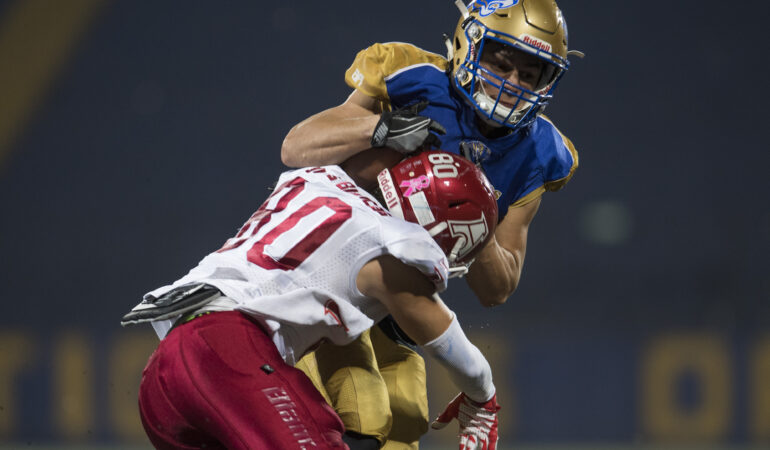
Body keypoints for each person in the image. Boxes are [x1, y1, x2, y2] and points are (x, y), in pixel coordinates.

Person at [281, 0, 582, 447]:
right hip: (331, 275)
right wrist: (381, 129)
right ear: (469, 44)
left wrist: (471, 212)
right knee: (364, 411)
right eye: (502, 62)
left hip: (399, 301)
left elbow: (497, 289)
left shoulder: (540, 151)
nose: (513, 84)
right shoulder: (409, 76)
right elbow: (298, 148)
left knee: (404, 422)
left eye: (530, 73)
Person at [121, 150, 502, 450]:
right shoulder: (387, 248)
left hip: (164, 379)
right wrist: (483, 398)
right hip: (227, 354)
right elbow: (444, 335)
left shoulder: (321, 179)